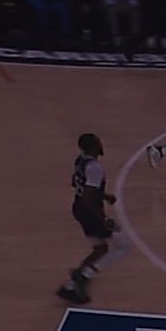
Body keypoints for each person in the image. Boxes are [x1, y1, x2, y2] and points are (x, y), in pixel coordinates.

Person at [57, 132, 121, 308]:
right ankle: (83, 276)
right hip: (89, 210)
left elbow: (76, 183)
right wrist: (104, 219)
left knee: (100, 248)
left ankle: (70, 287)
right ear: (94, 145)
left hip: (79, 208)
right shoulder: (95, 167)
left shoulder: (81, 160)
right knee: (123, 246)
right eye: (99, 141)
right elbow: (87, 197)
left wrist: (104, 196)